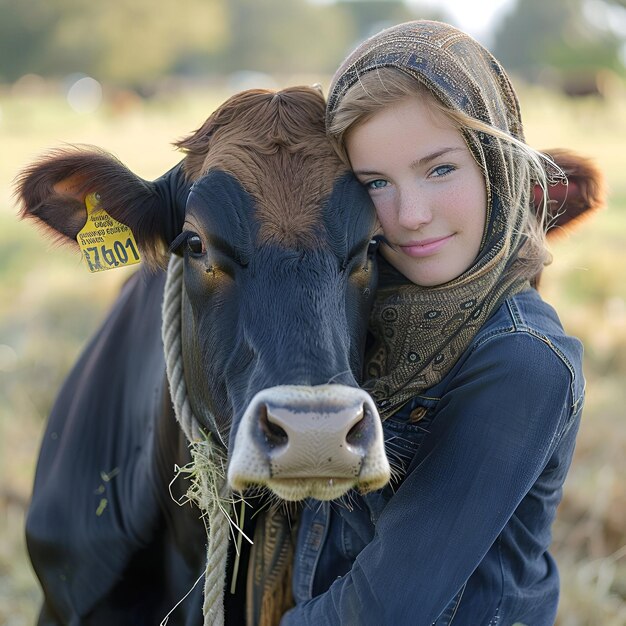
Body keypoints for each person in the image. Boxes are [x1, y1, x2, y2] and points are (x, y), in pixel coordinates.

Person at [280, 20, 594, 626]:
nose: (411, 216)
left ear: (495, 164)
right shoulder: (354, 319)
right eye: (374, 183)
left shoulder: (521, 360)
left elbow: (385, 610)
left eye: (440, 169)